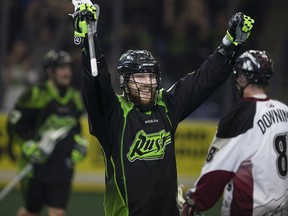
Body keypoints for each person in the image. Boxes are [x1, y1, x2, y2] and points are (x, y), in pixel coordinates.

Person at [71, 2, 254, 215]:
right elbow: (96, 84)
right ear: (124, 81)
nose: (147, 82)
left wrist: (230, 44)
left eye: (150, 76)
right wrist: (89, 39)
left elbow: (203, 81)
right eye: (139, 76)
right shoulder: (114, 115)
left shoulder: (165, 105)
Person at [181, 50, 288, 216]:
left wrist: (195, 200)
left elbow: (217, 171)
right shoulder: (284, 110)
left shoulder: (241, 114)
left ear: (243, 78)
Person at [7, 49, 89, 216]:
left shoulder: (74, 97)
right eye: (61, 68)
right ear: (50, 71)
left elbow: (75, 129)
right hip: (36, 167)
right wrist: (27, 146)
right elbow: (13, 125)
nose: (67, 72)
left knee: (58, 212)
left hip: (62, 168)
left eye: (68, 67)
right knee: (32, 211)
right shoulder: (36, 95)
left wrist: (78, 145)